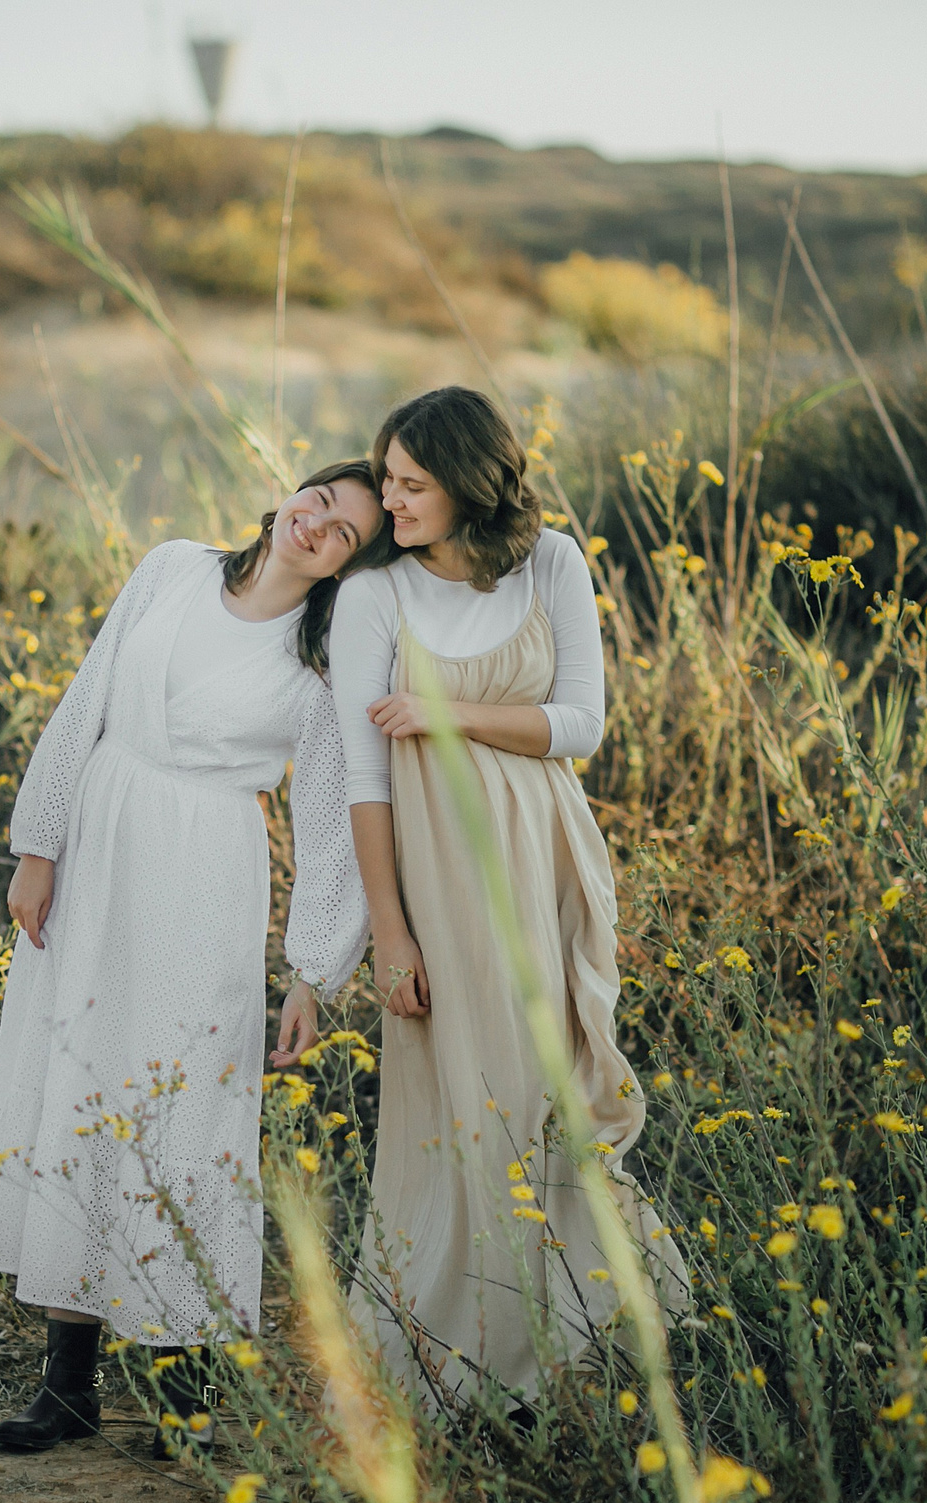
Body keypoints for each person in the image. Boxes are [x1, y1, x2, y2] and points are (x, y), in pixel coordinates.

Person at [0, 465, 391, 1457]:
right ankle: (66, 1383)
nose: (315, 524)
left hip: (204, 875)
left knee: (181, 1112)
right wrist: (40, 846)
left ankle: (185, 1386)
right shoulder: (171, 569)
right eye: (318, 498)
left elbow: (329, 824)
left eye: (344, 533)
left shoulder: (325, 661)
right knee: (78, 1088)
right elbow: (86, 702)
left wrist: (312, 974)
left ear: (353, 568)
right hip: (99, 850)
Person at [328, 386, 686, 1416]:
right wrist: (389, 931)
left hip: (540, 853)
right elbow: (365, 778)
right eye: (385, 480)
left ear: (471, 486)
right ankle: (458, 1352)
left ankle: (570, 1335)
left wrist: (449, 712)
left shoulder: (553, 563)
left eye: (412, 484)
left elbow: (581, 725)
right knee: (457, 1093)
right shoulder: (375, 595)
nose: (390, 502)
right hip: (433, 869)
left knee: (547, 1082)